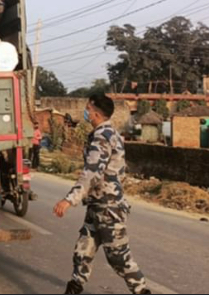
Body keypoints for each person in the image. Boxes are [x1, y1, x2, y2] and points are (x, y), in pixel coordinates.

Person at [54, 94, 150, 295]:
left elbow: (93, 172)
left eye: (88, 108)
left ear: (96, 113)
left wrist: (69, 199)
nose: (85, 111)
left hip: (108, 208)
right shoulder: (109, 133)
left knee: (118, 257)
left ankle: (142, 291)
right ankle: (74, 288)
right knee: (83, 251)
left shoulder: (102, 136)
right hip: (97, 204)